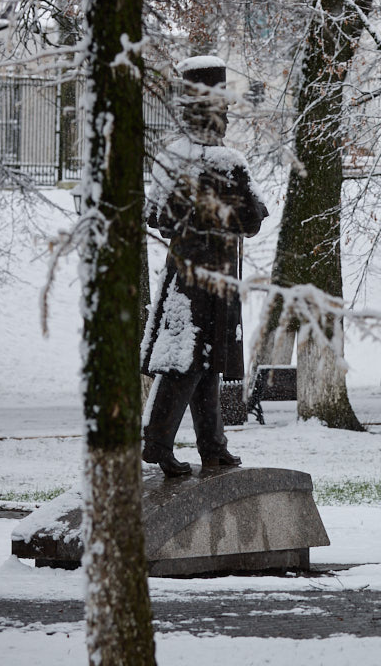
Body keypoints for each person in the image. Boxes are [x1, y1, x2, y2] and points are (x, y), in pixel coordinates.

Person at [139, 56, 269, 477]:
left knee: (203, 362)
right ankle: (157, 445)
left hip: (185, 278)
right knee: (187, 364)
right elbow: (251, 220)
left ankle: (212, 445)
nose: (227, 117)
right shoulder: (225, 162)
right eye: (223, 109)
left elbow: (156, 216)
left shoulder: (172, 158)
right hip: (207, 281)